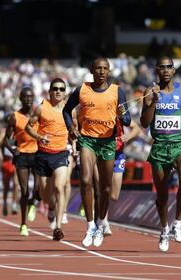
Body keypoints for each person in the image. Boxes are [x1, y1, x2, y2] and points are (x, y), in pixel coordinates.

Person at [63, 57, 131, 247]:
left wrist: (121, 115)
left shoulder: (118, 91)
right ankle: (90, 225)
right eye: (98, 68)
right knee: (85, 180)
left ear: (108, 71)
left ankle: (101, 223)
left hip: (108, 142)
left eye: (104, 68)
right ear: (92, 71)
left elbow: (127, 120)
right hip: (87, 140)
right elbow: (66, 111)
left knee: (105, 188)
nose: (101, 71)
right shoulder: (81, 90)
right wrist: (71, 128)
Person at [140, 56, 181, 252]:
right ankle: (164, 228)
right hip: (160, 147)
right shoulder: (150, 92)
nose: (165, 70)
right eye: (162, 67)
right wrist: (154, 102)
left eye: (169, 67)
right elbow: (144, 122)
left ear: (173, 70)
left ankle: (178, 223)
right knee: (162, 196)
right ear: (157, 70)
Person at [25, 78, 69, 241]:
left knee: (60, 187)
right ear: (50, 91)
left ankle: (58, 227)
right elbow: (28, 127)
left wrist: (75, 144)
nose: (58, 91)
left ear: (65, 93)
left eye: (61, 89)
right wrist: (39, 137)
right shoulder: (41, 108)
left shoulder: (69, 110)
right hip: (43, 155)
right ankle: (50, 206)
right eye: (55, 89)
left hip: (61, 153)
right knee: (45, 195)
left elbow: (75, 129)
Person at [5, 87, 39, 237]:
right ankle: (23, 223)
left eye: (31, 97)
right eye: (25, 97)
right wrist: (13, 150)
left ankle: (34, 201)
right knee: (24, 190)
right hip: (22, 155)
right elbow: (6, 139)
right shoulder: (14, 117)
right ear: (20, 98)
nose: (28, 99)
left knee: (39, 188)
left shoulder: (39, 114)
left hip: (38, 154)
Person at [103, 118, 141, 236]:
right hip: (103, 154)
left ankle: (101, 212)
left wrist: (128, 137)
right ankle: (103, 221)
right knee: (104, 188)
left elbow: (137, 128)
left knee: (114, 196)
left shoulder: (120, 115)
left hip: (118, 154)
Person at [0, 129, 19, 216]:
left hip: (16, 161)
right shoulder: (4, 133)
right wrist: (2, 138)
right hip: (7, 162)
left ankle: (14, 204)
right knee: (6, 186)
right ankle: (5, 203)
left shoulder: (19, 131)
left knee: (16, 184)